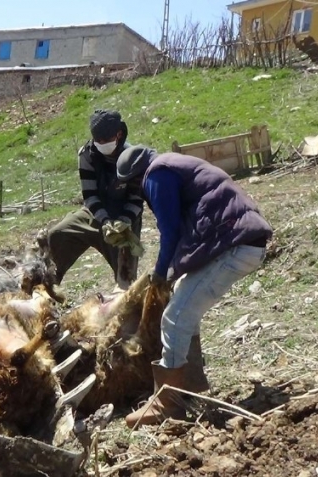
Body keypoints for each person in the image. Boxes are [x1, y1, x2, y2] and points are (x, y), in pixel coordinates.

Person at [115, 146, 273, 427]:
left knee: (174, 318)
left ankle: (168, 403)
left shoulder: (156, 175)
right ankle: (190, 387)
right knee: (182, 304)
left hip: (235, 246)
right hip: (239, 241)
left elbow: (170, 231)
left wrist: (160, 274)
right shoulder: (174, 165)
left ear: (134, 180)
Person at [47, 109, 145, 291]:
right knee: (57, 234)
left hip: (125, 218)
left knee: (126, 279)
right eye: (97, 141)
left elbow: (137, 199)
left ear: (119, 134)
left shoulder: (133, 157)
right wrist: (105, 220)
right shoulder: (86, 155)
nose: (102, 144)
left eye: (106, 140)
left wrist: (123, 222)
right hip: (95, 213)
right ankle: (49, 289)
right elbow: (90, 195)